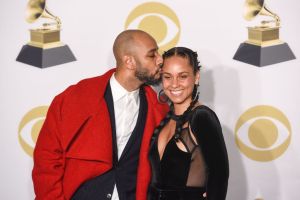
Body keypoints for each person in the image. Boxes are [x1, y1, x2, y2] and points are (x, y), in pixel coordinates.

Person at [32, 29, 169, 200]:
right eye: (152, 55)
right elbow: (47, 159)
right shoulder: (73, 98)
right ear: (129, 61)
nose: (160, 60)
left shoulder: (158, 108)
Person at [147, 47, 229, 200]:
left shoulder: (201, 117)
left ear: (196, 77)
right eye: (167, 77)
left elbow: (220, 178)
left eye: (182, 76)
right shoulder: (166, 118)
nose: (174, 84)